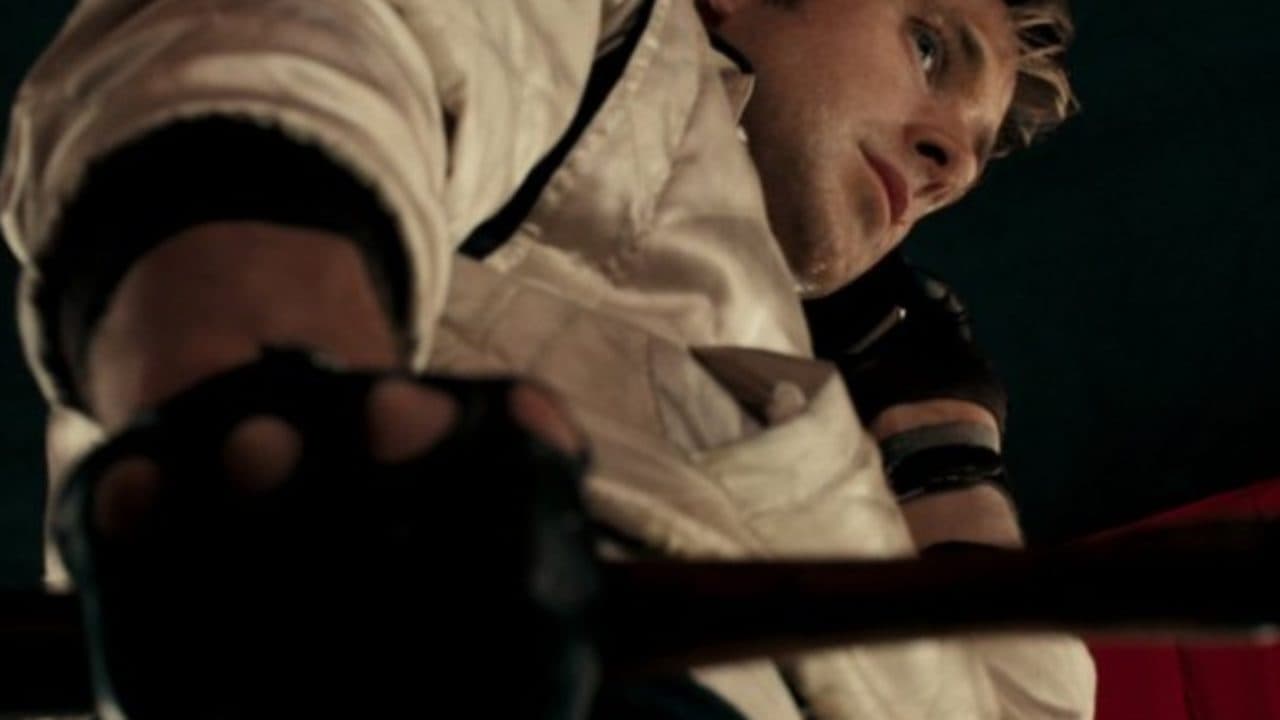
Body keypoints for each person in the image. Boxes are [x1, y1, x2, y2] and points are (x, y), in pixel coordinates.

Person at [2, 0, 1096, 716]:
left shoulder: (805, 410)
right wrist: (260, 399)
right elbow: (315, 46)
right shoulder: (622, 39)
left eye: (968, 158)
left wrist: (942, 449)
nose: (951, 162)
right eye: (927, 46)